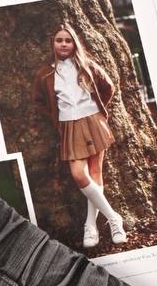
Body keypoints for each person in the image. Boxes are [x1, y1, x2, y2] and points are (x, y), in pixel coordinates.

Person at [32, 23, 127, 248]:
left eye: (68, 40)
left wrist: (97, 111)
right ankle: (113, 217)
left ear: (74, 43)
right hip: (69, 126)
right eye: (59, 40)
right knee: (79, 174)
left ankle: (91, 227)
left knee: (95, 172)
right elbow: (39, 101)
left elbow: (108, 87)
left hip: (93, 120)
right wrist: (56, 117)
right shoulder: (45, 72)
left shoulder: (86, 65)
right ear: (53, 43)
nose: (64, 44)